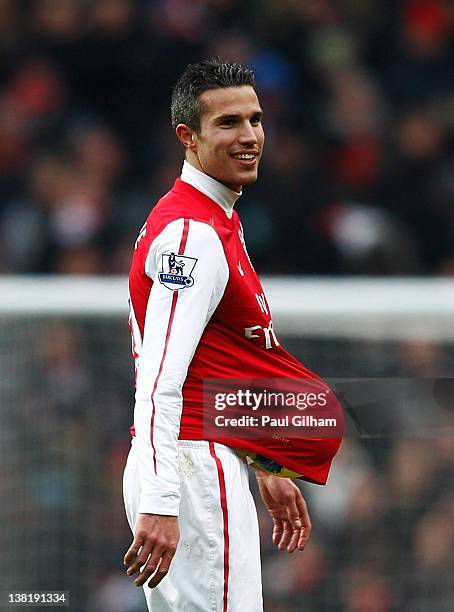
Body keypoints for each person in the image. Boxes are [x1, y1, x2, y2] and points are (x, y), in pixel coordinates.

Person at [123, 58, 342, 611]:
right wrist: (161, 499)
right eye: (228, 123)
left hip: (194, 466)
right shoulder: (193, 234)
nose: (249, 136)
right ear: (188, 138)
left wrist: (265, 460)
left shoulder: (212, 216)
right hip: (190, 471)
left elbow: (210, 361)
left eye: (256, 119)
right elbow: (160, 376)